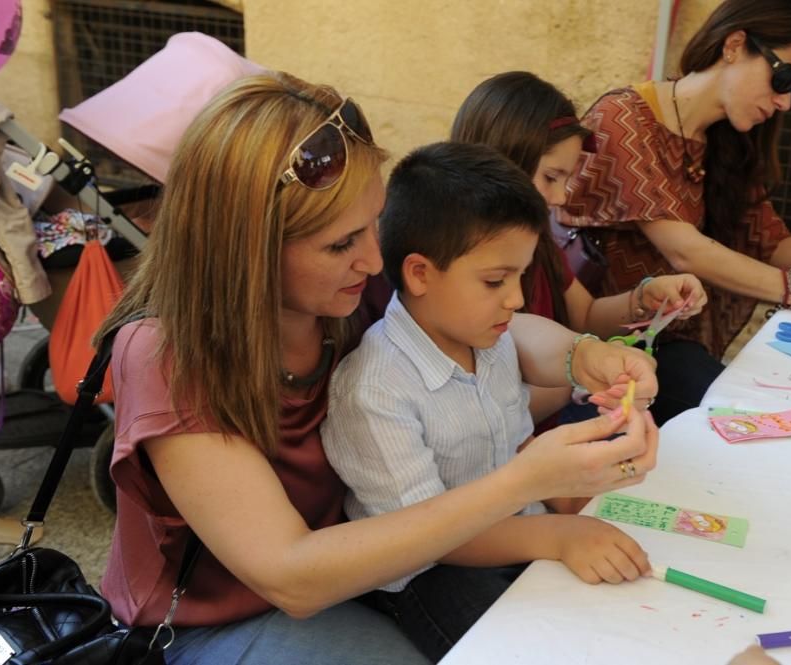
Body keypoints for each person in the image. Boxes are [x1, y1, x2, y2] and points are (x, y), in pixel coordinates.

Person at [93, 72, 660, 665]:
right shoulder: (168, 354)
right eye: (340, 244)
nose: (371, 257)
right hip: (215, 620)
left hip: (371, 569)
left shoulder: (347, 289)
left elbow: (494, 330)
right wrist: (527, 482)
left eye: (375, 222)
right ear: (247, 248)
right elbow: (292, 576)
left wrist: (583, 355)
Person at [322, 142, 656, 662]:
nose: (517, 298)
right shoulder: (373, 391)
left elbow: (517, 434)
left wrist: (576, 493)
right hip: (431, 570)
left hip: (522, 530)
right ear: (419, 274)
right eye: (496, 280)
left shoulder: (492, 341)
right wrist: (560, 532)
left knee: (613, 620)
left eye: (520, 275)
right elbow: (432, 538)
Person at [559, 0, 791, 368]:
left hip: (665, 337)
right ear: (733, 46)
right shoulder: (624, 119)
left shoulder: (726, 138)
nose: (784, 103)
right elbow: (687, 252)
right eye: (784, 79)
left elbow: (767, 240)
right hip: (596, 343)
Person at [451, 71, 708, 426]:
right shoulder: (457, 261)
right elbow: (492, 407)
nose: (559, 198)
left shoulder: (539, 242)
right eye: (550, 177)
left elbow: (584, 316)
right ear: (501, 161)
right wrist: (584, 372)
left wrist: (645, 298)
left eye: (567, 180)